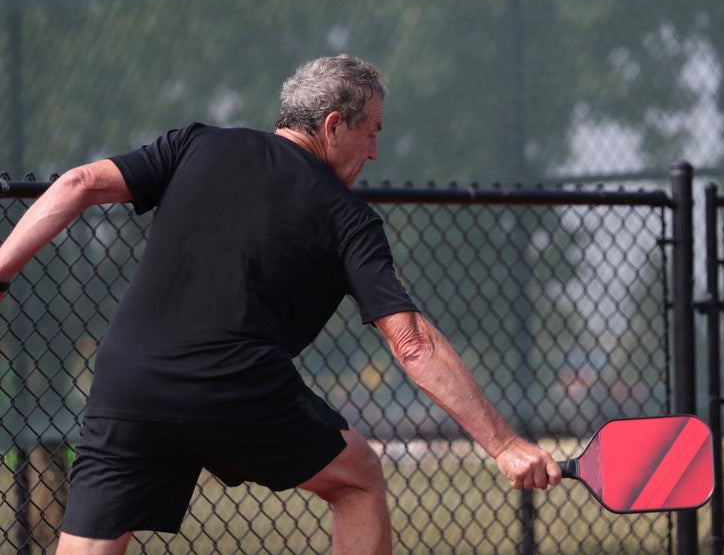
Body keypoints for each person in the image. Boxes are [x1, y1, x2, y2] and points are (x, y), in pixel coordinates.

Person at [0, 54, 562, 555]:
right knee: (359, 477)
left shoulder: (196, 142)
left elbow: (77, 183)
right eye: (371, 133)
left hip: (128, 381)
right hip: (233, 386)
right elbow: (412, 344)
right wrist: (505, 445)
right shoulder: (349, 219)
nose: (375, 151)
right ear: (333, 126)